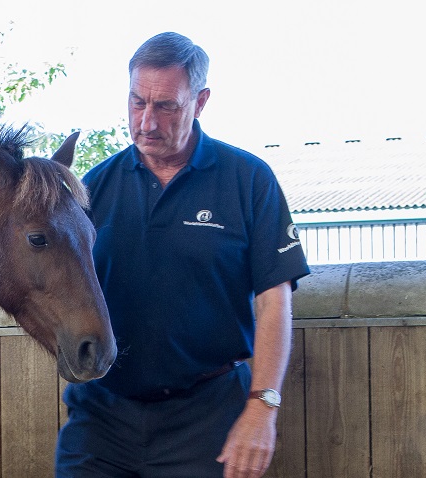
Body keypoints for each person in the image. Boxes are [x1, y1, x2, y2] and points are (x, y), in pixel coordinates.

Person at [55, 32, 310, 478]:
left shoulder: (248, 180)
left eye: (166, 106)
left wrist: (263, 407)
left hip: (207, 416)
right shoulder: (90, 189)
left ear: (201, 100)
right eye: (137, 103)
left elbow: (275, 300)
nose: (147, 122)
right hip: (101, 420)